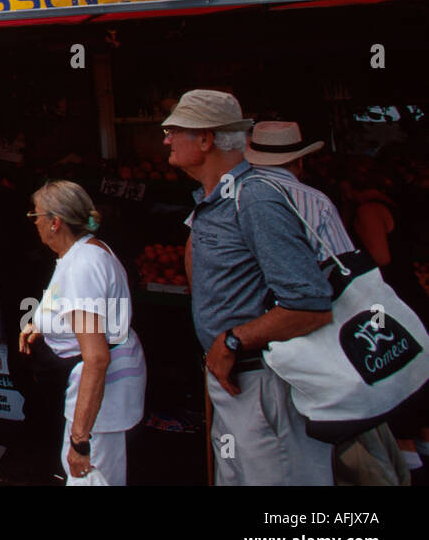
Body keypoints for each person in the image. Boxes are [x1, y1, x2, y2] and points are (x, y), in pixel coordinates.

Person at [163, 89, 334, 486]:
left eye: (174, 130)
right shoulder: (216, 198)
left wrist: (233, 341)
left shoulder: (254, 198)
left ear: (205, 139)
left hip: (262, 385)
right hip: (237, 385)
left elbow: (309, 305)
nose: (166, 138)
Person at [245, 121, 412, 486]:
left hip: (274, 340)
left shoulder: (241, 197)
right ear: (299, 162)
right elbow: (344, 266)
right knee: (352, 429)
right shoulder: (314, 200)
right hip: (330, 334)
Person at [18, 181, 146, 484]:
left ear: (55, 222)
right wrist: (43, 327)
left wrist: (80, 440)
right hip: (106, 387)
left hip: (101, 393)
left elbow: (97, 357)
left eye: (35, 215)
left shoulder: (82, 268)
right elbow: (78, 315)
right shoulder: (82, 253)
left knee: (88, 475)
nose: (34, 222)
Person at [341, 156, 429, 471]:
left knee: (394, 368)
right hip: (410, 297)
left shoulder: (367, 211)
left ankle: (407, 457)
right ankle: (420, 444)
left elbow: (380, 256)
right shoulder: (393, 207)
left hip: (389, 300)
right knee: (416, 368)